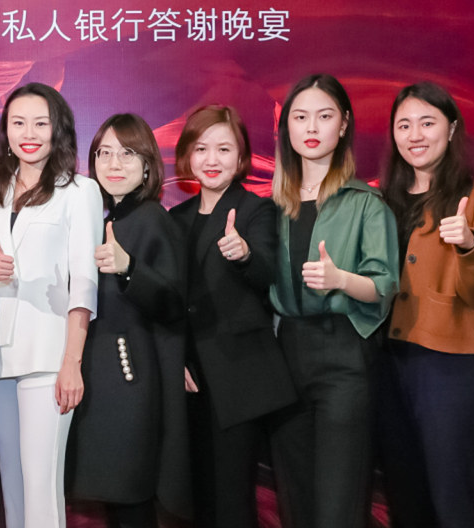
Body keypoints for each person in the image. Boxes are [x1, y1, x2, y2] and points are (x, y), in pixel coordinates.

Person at [266, 74, 398, 528]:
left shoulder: (367, 203)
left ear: (343, 125)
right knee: (294, 494)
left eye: (324, 116)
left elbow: (384, 286)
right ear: (286, 127)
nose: (311, 127)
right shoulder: (272, 206)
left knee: (339, 499)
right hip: (285, 354)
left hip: (344, 355)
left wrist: (341, 279)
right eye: (300, 117)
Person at [0, 82, 102, 528]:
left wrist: (72, 362)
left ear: (57, 130)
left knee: (41, 484)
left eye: (40, 123)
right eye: (18, 123)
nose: (29, 133)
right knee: (12, 482)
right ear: (6, 131)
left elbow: (84, 283)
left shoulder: (79, 191)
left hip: (48, 353)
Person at [376, 82, 474, 527]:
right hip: (388, 362)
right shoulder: (381, 199)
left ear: (450, 129)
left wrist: (468, 245)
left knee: (452, 496)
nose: (415, 135)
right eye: (404, 125)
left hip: (450, 367)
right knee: (404, 493)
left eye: (427, 123)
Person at [167, 105, 297, 528]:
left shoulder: (256, 210)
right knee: (198, 499)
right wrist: (177, 359)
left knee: (232, 500)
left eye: (224, 149)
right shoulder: (175, 218)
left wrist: (244, 254)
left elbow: (267, 273)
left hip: (239, 377)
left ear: (241, 157)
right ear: (187, 155)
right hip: (191, 378)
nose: (212, 159)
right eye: (201, 148)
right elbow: (169, 301)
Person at [67, 113, 189, 528]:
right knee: (116, 502)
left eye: (127, 153)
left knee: (132, 498)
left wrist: (129, 267)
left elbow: (173, 303)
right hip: (98, 381)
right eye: (104, 153)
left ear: (147, 165)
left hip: (131, 380)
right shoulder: (102, 221)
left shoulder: (153, 218)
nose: (113, 163)